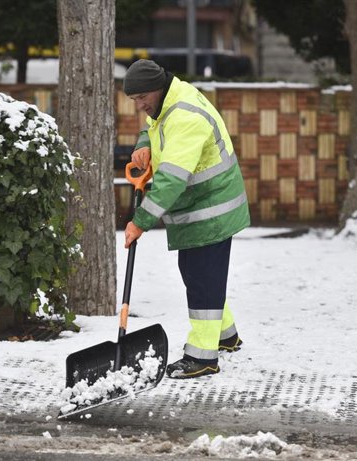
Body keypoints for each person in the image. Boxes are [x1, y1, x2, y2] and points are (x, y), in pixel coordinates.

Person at [122, 59, 250, 379]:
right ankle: (226, 336)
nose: (140, 107)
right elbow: (154, 125)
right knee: (199, 274)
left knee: (202, 279)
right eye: (134, 100)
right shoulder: (169, 99)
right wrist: (144, 146)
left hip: (211, 209)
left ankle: (202, 356)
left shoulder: (185, 115)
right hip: (200, 205)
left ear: (157, 88)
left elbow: (171, 181)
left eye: (141, 99)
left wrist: (140, 222)